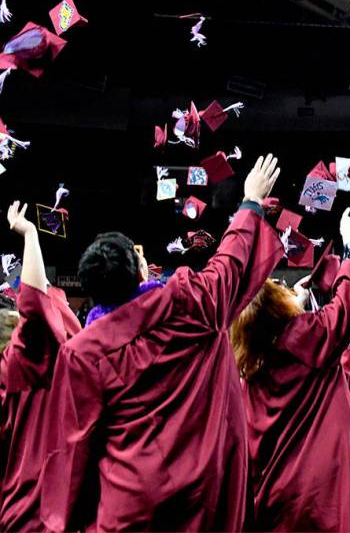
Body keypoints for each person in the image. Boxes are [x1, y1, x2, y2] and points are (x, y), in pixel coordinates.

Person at [39, 154, 285, 532]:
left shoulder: (83, 354)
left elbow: (74, 446)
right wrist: (250, 201)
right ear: (140, 271)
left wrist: (66, 520)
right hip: (205, 496)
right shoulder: (190, 303)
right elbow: (231, 260)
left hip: (132, 503)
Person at [232, 207, 350, 531]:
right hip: (329, 487)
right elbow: (349, 302)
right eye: (278, 287)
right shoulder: (306, 337)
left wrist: (296, 302)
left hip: (280, 494)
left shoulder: (250, 371)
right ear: (276, 307)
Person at [0, 202, 83, 530]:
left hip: (21, 510)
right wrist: (30, 234)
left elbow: (35, 307)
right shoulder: (68, 358)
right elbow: (37, 304)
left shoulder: (18, 365)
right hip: (55, 507)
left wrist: (32, 236)